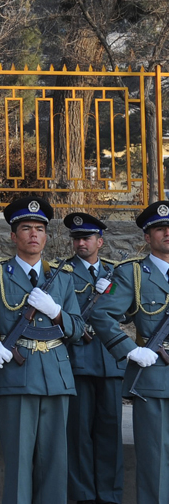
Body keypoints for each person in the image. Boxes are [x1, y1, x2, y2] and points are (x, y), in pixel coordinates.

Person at [0, 197, 81, 504]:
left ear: (46, 235)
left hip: (57, 375)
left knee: (55, 462)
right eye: (26, 228)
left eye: (39, 228)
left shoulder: (61, 278)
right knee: (19, 461)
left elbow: (76, 327)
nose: (33, 234)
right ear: (13, 235)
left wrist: (57, 312)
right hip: (17, 375)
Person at [88, 201, 169, 503]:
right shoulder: (132, 274)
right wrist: (130, 350)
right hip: (154, 375)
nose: (167, 233)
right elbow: (102, 315)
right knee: (154, 460)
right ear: (148, 237)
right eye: (160, 229)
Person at [61, 212, 123, 504]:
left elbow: (124, 311)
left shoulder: (116, 272)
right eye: (77, 239)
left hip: (110, 360)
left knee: (110, 433)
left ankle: (109, 495)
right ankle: (84, 495)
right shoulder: (63, 273)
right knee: (79, 434)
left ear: (100, 241)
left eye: (86, 238)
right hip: (78, 360)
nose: (81, 243)